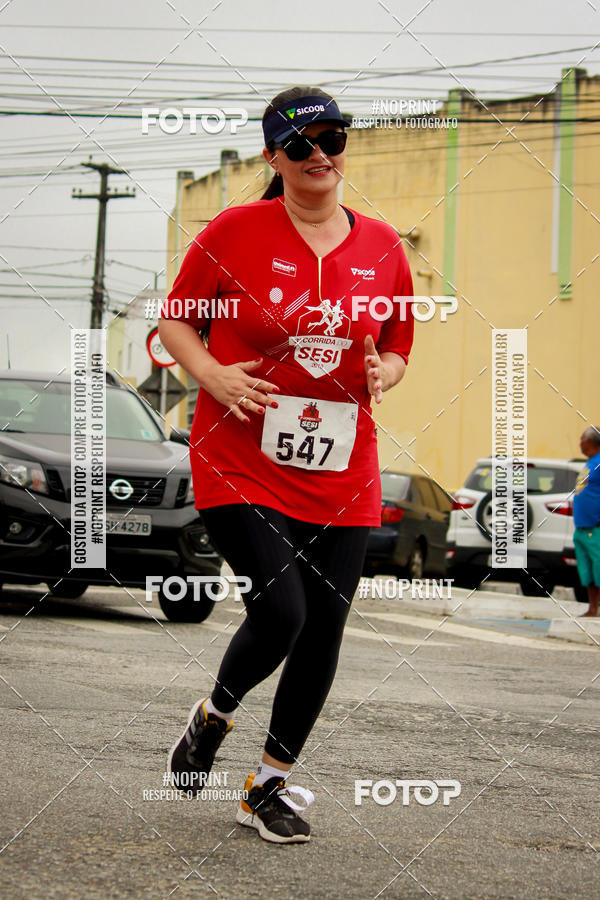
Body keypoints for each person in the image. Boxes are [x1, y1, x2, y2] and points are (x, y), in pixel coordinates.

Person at [158, 85, 414, 843]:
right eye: (299, 144)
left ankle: (268, 786)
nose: (318, 155)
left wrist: (385, 376)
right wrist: (216, 375)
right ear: (275, 155)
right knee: (283, 612)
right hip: (239, 452)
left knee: (324, 628)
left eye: (331, 137)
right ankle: (214, 718)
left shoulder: (384, 245)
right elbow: (175, 321)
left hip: (343, 465)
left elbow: (398, 347)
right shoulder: (234, 230)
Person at [573, 425, 600, 617]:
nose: (579, 443)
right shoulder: (590, 463)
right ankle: (593, 608)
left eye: (582, 439)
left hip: (596, 528)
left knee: (598, 568)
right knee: (588, 571)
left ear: (591, 441)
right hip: (582, 527)